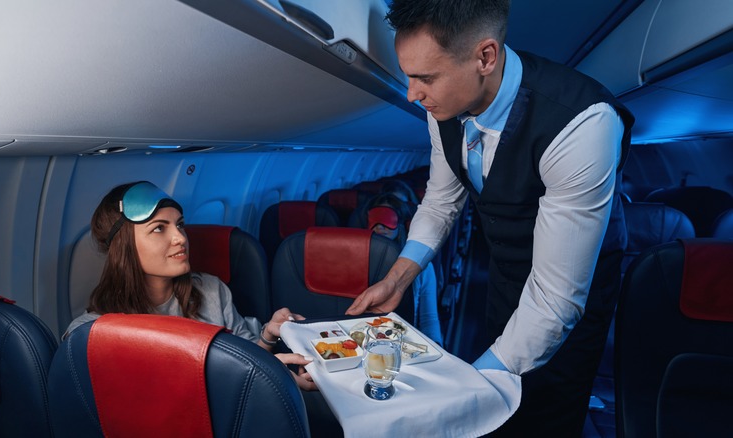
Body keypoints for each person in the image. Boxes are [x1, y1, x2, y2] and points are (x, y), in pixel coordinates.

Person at [346, 1, 634, 436]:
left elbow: (556, 301)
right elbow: (442, 200)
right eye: (408, 74)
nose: (411, 94)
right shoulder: (441, 107)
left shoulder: (580, 123)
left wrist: (463, 386)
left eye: (425, 77)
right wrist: (398, 278)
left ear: (485, 57)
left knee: (548, 409)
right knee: (500, 402)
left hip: (574, 287)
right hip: (505, 268)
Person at [64, 181, 316, 391]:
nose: (180, 237)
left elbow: (248, 357)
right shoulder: (91, 333)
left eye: (180, 225)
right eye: (159, 228)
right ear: (123, 246)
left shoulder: (211, 291)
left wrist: (268, 336)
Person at [366, 193, 443, 345]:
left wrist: (437, 346)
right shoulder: (356, 260)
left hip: (405, 341)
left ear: (402, 224)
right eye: (374, 220)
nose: (379, 226)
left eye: (388, 218)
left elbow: (428, 319)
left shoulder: (422, 267)